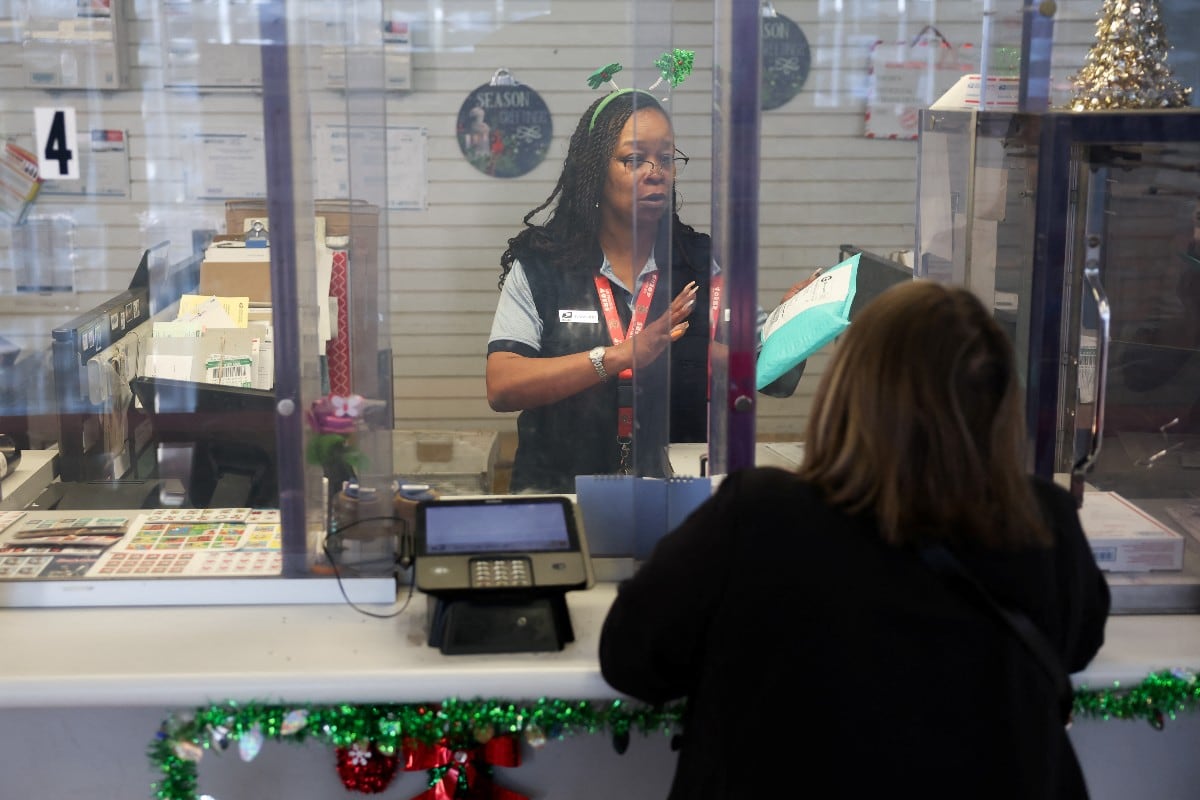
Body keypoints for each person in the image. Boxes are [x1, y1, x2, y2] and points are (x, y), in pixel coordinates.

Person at [599, 280, 1111, 799]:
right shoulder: (1043, 522)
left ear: (849, 390)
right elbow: (1077, 644)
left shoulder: (761, 515)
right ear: (1003, 402)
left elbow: (630, 657)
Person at [487, 89, 812, 493]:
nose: (656, 171)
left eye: (667, 158)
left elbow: (771, 377)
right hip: (561, 493)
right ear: (593, 169)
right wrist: (623, 354)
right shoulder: (543, 264)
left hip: (677, 497)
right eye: (634, 159)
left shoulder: (701, 261)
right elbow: (502, 386)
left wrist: (795, 321)